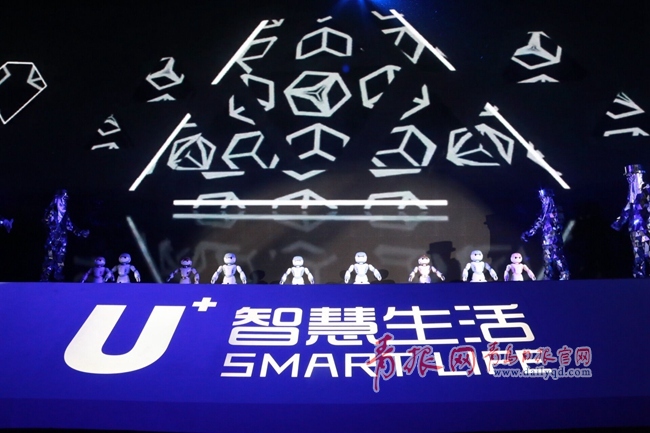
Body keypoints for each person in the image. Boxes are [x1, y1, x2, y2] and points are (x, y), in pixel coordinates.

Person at [41, 189, 89, 281]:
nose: (64, 203)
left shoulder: (65, 215)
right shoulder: (51, 212)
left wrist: (81, 232)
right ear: (56, 199)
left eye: (65, 200)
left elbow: (70, 226)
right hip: (51, 243)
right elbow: (45, 222)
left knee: (60, 259)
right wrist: (50, 220)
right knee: (49, 258)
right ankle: (45, 276)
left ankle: (58, 274)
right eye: (62, 199)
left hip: (62, 242)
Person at [611, 164, 650, 278]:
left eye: (631, 176)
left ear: (639, 175)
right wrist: (617, 224)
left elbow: (645, 207)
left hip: (646, 230)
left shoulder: (647, 189)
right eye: (628, 177)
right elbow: (627, 210)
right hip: (634, 230)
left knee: (648, 253)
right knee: (638, 256)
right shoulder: (632, 193)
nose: (629, 179)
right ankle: (639, 278)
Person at [521, 188, 569, 280]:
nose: (543, 200)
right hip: (546, 240)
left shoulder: (556, 211)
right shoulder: (543, 213)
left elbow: (559, 223)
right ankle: (548, 276)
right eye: (542, 198)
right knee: (547, 260)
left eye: (544, 198)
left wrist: (556, 227)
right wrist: (528, 233)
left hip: (554, 240)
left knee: (558, 257)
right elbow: (538, 224)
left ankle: (564, 274)